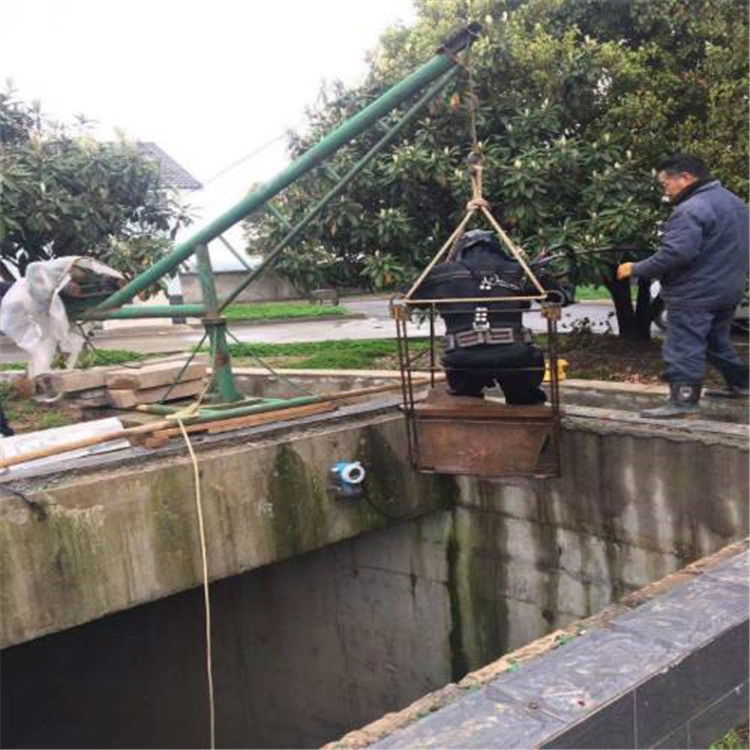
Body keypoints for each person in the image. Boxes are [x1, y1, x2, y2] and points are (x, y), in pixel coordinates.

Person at [618, 154, 750, 418]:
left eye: (666, 183)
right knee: (715, 342)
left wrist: (635, 268)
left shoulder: (691, 209)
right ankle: (743, 384)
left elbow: (676, 254)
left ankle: (683, 401)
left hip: (694, 294)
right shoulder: (735, 203)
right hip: (727, 290)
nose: (665, 190)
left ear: (686, 178)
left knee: (683, 346)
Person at [410, 229, 571, 404]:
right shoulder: (520, 271)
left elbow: (410, 299)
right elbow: (561, 298)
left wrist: (443, 279)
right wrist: (539, 274)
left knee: (464, 397)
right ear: (496, 248)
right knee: (527, 400)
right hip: (516, 357)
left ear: (461, 250)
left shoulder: (441, 273)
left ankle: (466, 418)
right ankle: (529, 416)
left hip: (462, 359)